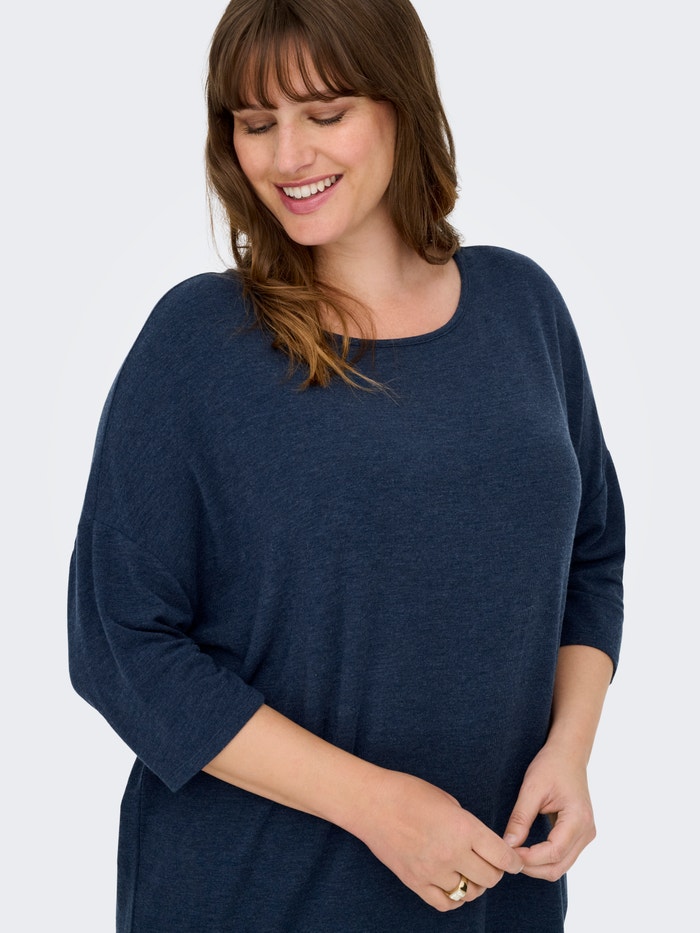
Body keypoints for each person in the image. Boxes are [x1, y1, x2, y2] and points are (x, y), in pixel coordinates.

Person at [68, 0, 625, 930]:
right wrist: (377, 806)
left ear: (403, 104)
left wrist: (570, 749)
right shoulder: (200, 341)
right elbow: (119, 641)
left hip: (496, 893)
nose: (289, 156)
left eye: (325, 113)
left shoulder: (523, 307)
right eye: (256, 124)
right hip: (255, 897)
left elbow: (591, 559)